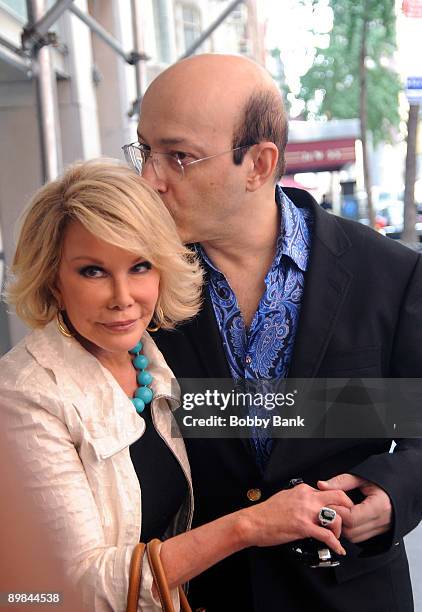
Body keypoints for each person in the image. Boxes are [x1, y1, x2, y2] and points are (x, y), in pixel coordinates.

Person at [124, 54, 422, 611]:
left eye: (178, 156)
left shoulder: (390, 274)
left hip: (350, 594)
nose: (149, 179)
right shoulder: (135, 284)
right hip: (203, 592)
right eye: (144, 150)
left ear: (259, 165)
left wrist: (393, 492)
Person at [0, 159, 352, 612]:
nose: (123, 298)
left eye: (140, 266)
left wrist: (375, 481)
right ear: (53, 277)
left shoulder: (151, 355)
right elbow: (79, 586)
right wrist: (249, 525)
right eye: (93, 271)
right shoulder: (25, 394)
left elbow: (268, 411)